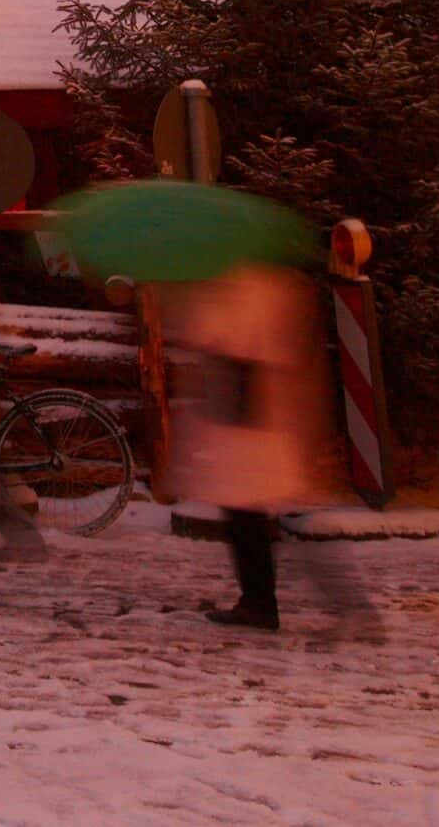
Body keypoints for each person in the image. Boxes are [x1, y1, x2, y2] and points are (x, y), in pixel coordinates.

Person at [164, 258, 333, 632]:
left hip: (245, 422)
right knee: (248, 517)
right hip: (252, 421)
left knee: (247, 518)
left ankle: (261, 604)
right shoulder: (266, 283)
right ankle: (260, 601)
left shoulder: (247, 287)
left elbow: (220, 338)